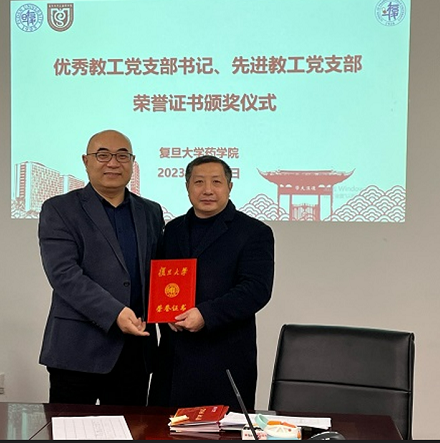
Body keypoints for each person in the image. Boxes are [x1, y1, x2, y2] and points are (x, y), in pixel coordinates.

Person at [37, 129, 165, 405]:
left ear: (132, 162)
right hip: (76, 350)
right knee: (69, 427)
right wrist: (115, 312)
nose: (113, 163)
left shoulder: (151, 211)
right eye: (103, 155)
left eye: (122, 156)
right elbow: (64, 275)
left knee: (131, 428)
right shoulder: (60, 209)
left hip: (135, 350)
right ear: (86, 161)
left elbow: (158, 272)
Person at [148, 155, 274, 410]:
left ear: (229, 186)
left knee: (221, 429)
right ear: (187, 187)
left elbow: (255, 290)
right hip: (173, 358)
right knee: (162, 427)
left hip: (223, 359)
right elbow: (162, 280)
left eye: (216, 182)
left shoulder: (253, 232)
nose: (207, 190)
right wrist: (165, 313)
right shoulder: (172, 230)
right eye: (199, 182)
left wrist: (206, 314)